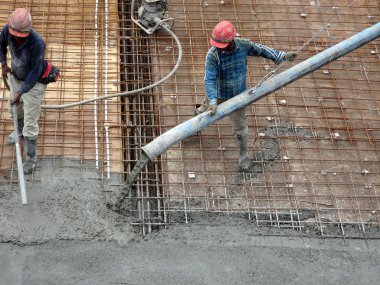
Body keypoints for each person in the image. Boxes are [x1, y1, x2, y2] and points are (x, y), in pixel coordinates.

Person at [195, 20, 298, 172]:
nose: (218, 47)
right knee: (202, 114)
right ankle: (194, 120)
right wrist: (212, 100)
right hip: (218, 95)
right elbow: (209, 79)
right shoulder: (213, 55)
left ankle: (243, 158)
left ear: (231, 40)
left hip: (238, 97)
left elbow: (261, 50)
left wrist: (282, 56)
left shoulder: (243, 45)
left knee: (241, 131)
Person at [0, 8, 48, 174]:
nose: (16, 38)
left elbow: (35, 71)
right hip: (17, 76)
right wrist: (4, 63)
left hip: (34, 83)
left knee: (30, 120)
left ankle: (31, 159)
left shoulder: (37, 43)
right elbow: (1, 45)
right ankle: (18, 130)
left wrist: (21, 92)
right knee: (15, 109)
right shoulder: (7, 30)